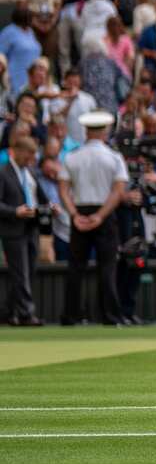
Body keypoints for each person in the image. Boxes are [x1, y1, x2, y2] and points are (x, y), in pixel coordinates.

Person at [57, 111, 129, 325]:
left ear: (87, 131)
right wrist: (100, 216)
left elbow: (63, 191)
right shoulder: (114, 157)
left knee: (76, 266)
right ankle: (110, 315)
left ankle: (71, 316)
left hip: (80, 211)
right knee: (107, 266)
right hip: (104, 214)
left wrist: (75, 215)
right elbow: (118, 191)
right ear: (105, 131)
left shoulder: (72, 156)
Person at [1, 136, 48, 326]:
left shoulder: (31, 173)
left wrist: (50, 207)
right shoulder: (3, 173)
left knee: (27, 272)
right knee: (20, 273)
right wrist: (15, 211)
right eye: (29, 154)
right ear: (17, 151)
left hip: (31, 228)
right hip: (12, 229)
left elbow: (40, 198)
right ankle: (27, 314)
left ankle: (8, 313)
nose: (32, 158)